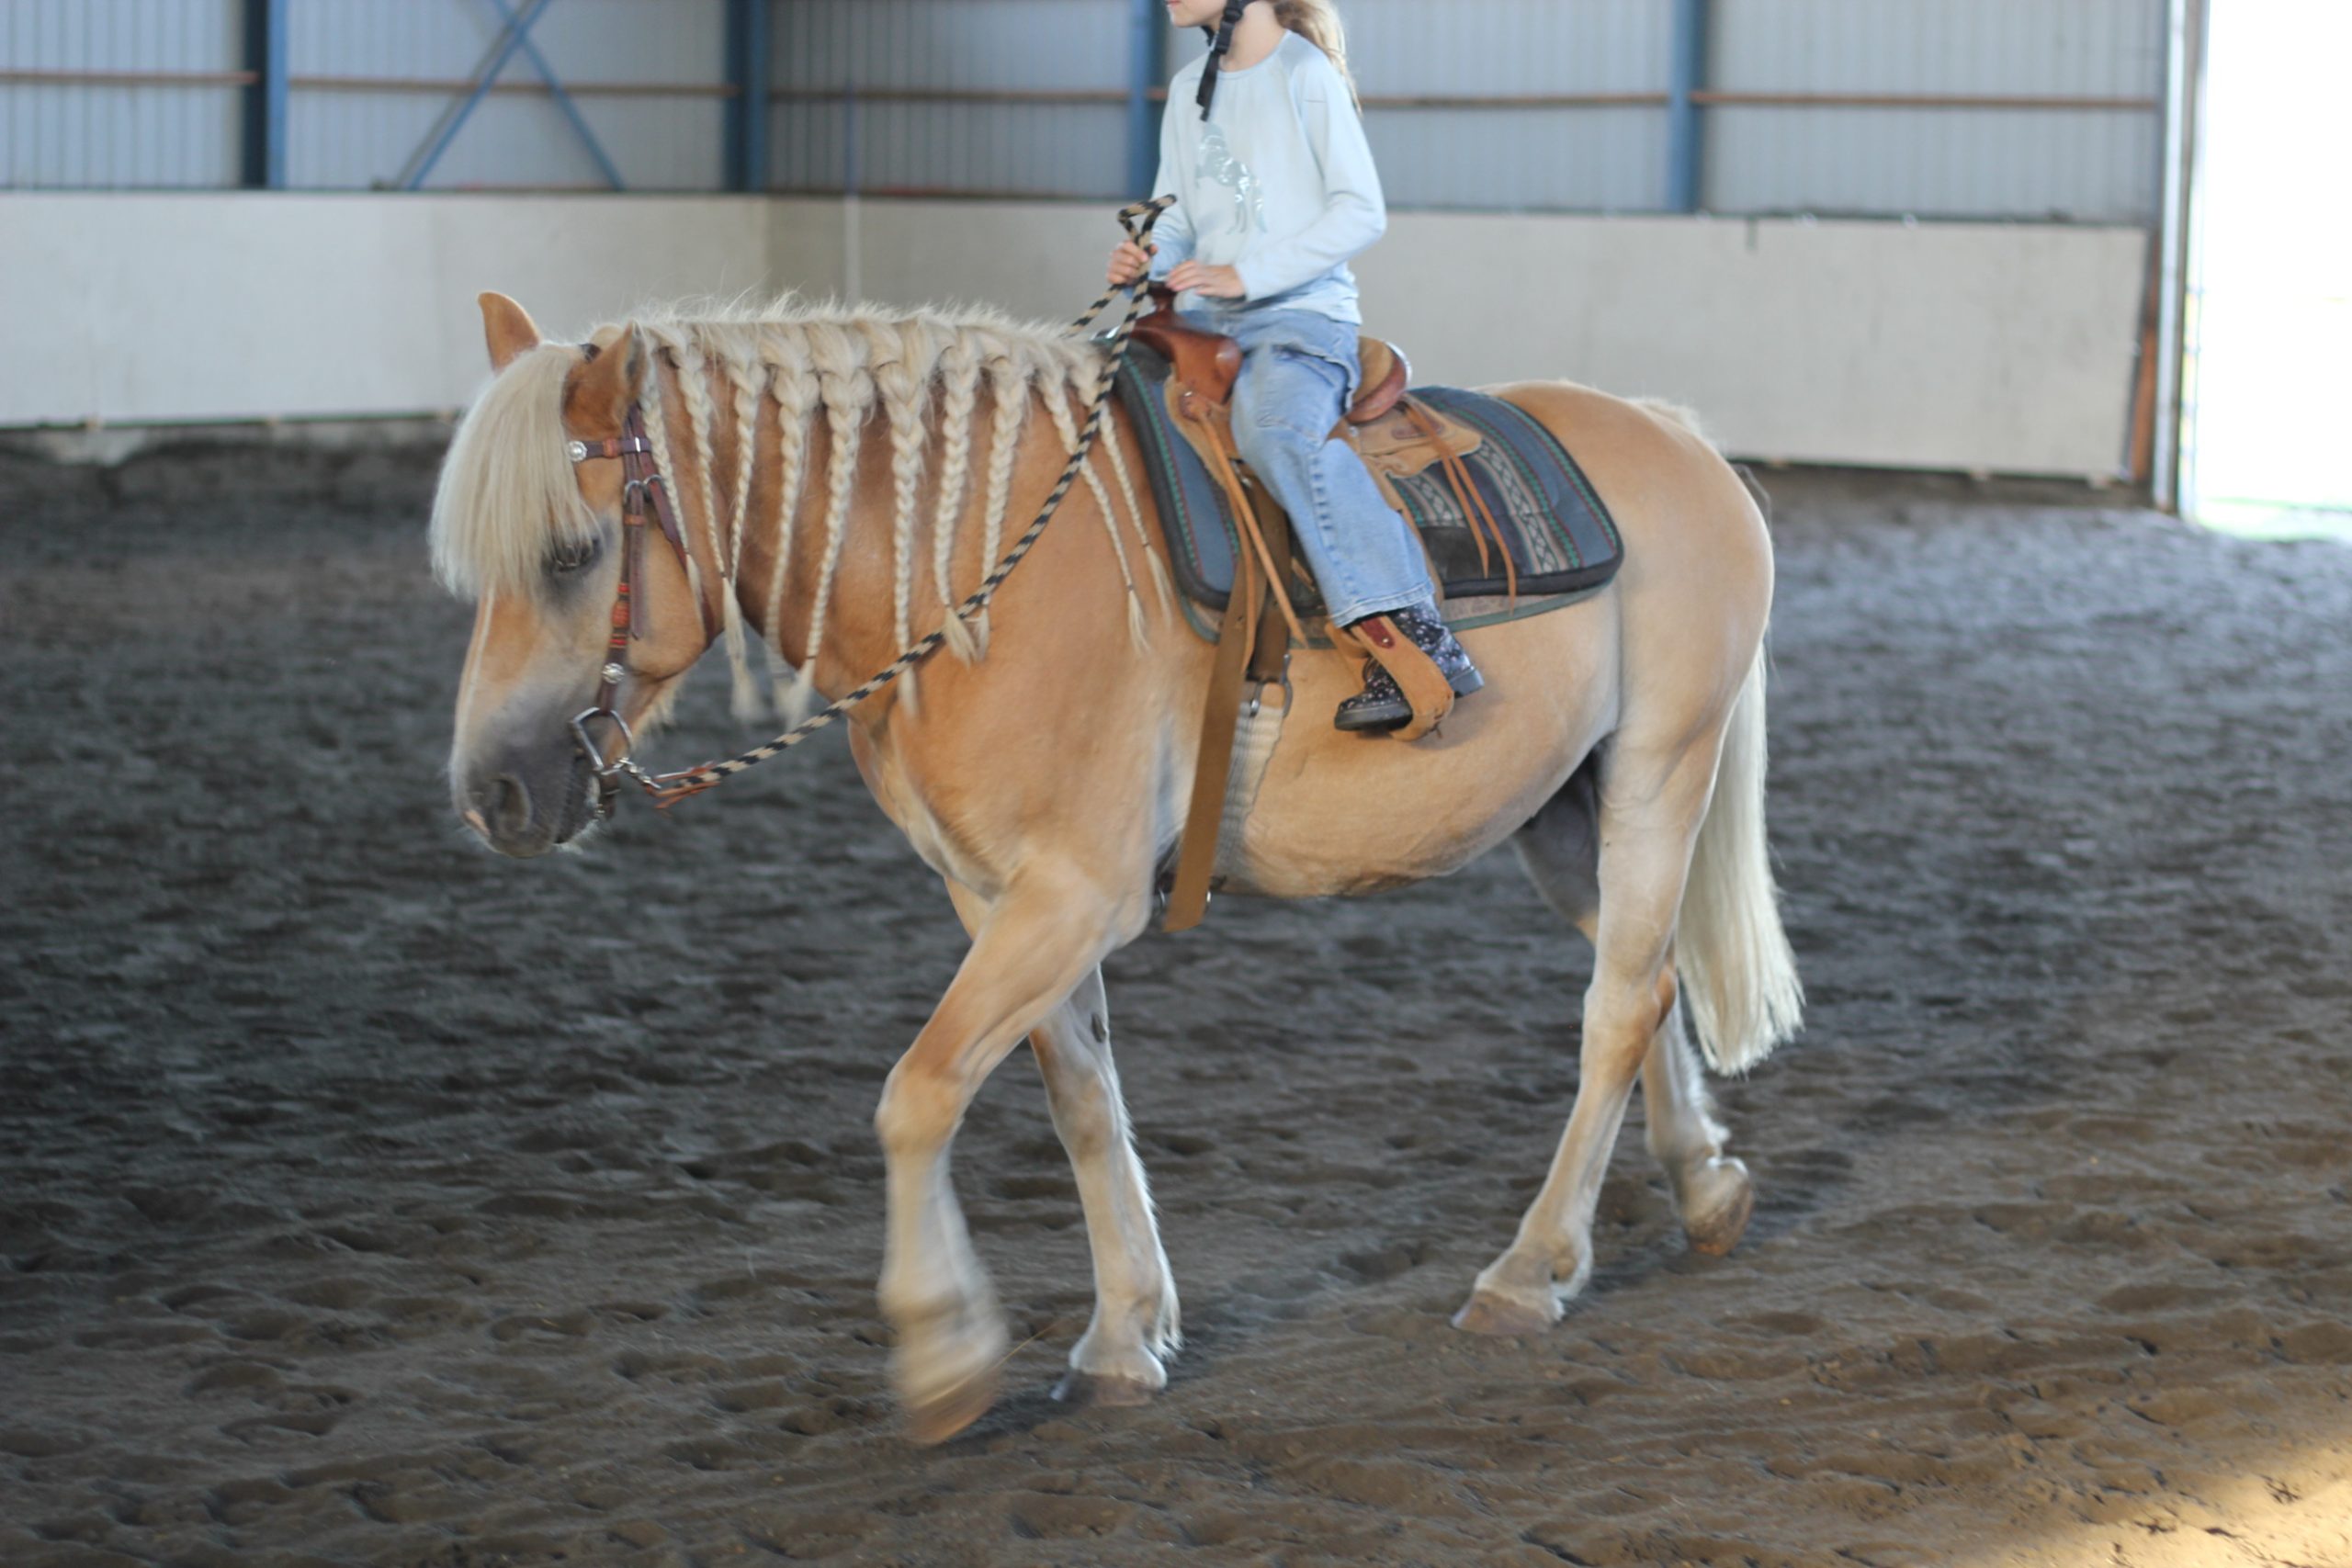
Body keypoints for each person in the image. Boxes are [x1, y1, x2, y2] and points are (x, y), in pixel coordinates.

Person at [1108, 0, 1481, 734]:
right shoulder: (1190, 88)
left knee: (1277, 431)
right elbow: (1180, 215)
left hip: (1301, 318)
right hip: (1202, 320)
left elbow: (1360, 212)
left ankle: (1415, 625)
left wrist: (1244, 274)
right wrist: (1151, 257)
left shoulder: (1307, 75)